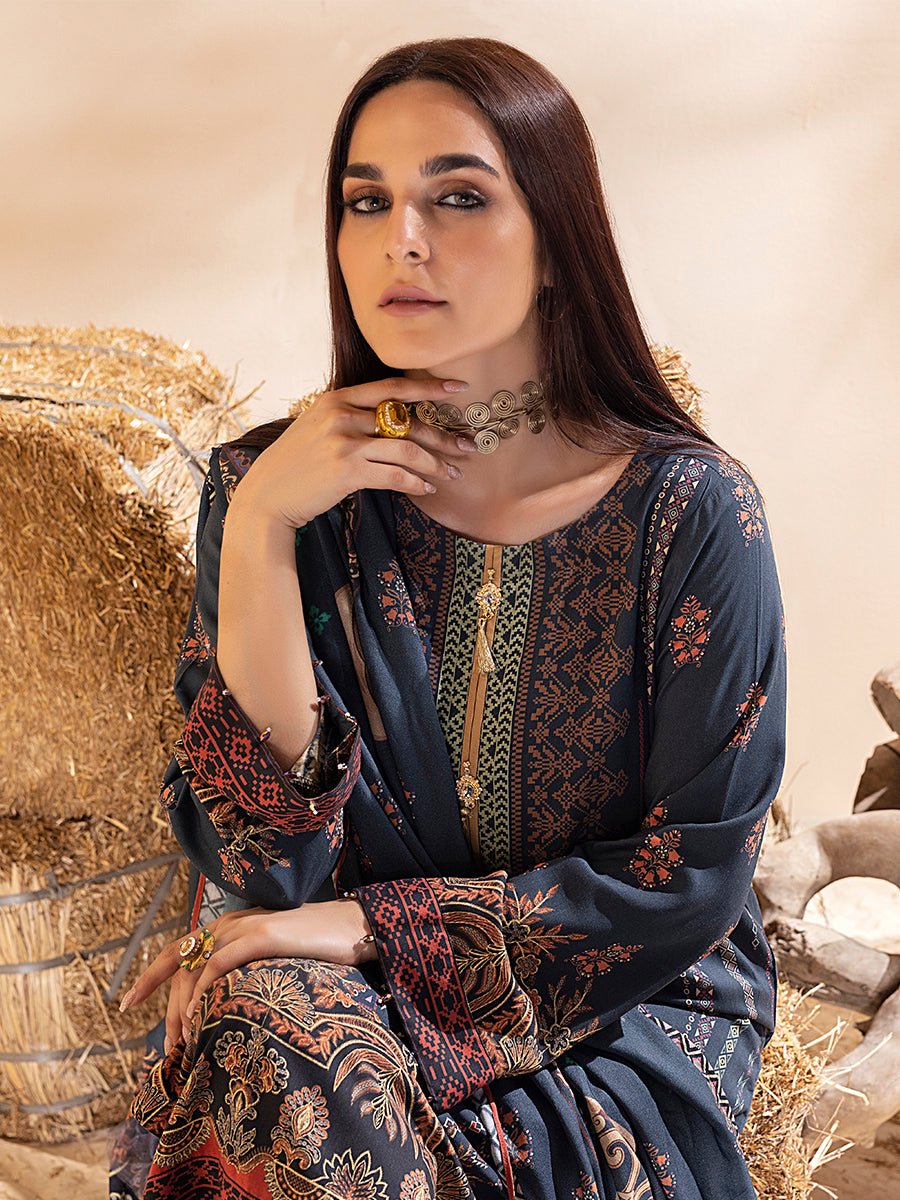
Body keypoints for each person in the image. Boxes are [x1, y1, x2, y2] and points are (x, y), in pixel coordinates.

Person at [113, 36, 786, 1200]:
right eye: (365, 201)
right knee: (272, 1021)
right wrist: (263, 526)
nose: (401, 241)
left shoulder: (688, 514)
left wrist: (378, 926)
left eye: (458, 197)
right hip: (349, 1000)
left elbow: (691, 875)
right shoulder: (274, 492)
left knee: (286, 1048)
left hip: (623, 1002)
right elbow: (262, 869)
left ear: (558, 240)